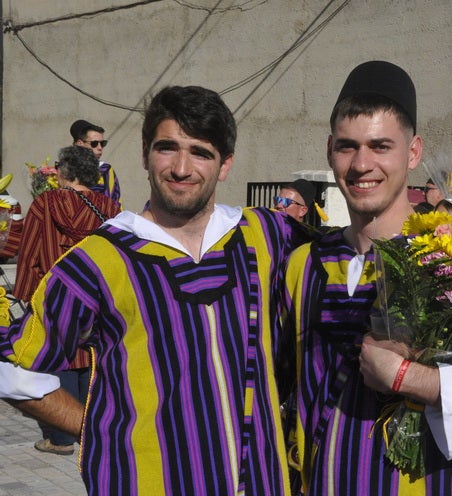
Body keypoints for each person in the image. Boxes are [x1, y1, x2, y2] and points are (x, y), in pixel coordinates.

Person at [1, 85, 311, 494]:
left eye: (201, 152)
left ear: (225, 164)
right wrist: (95, 428)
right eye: (168, 148)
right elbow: (13, 370)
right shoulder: (97, 260)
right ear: (146, 151)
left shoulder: (267, 234)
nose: (182, 168)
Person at [283, 60, 452, 495]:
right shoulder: (305, 263)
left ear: (414, 151)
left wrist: (410, 379)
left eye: (380, 146)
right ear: (330, 150)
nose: (362, 164)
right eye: (347, 146)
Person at [13, 145, 120, 455]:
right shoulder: (111, 210)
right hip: (99, 297)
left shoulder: (45, 204)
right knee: (91, 360)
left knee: (59, 359)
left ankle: (61, 438)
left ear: (67, 172)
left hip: (55, 296)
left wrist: (25, 293)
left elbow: (30, 252)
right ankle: (91, 429)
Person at [70, 119, 121, 204]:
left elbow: (111, 204)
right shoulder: (64, 170)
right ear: (79, 144)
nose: (100, 148)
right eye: (94, 143)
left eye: (102, 143)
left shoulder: (105, 170)